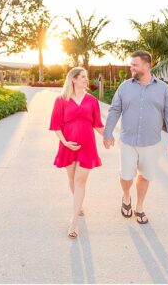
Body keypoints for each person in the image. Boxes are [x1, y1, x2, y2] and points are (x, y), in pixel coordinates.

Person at [103, 50, 168, 225]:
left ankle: (139, 206)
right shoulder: (124, 86)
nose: (131, 68)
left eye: (135, 65)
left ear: (147, 66)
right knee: (126, 176)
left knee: (145, 176)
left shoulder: (163, 88)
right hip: (128, 141)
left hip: (151, 143)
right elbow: (115, 110)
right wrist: (108, 133)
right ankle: (126, 197)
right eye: (131, 65)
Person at [49, 67, 105, 239]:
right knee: (72, 179)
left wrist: (108, 137)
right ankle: (78, 204)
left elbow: (97, 124)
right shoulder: (61, 100)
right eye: (82, 77)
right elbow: (56, 125)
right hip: (68, 145)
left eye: (86, 77)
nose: (86, 80)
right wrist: (65, 142)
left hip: (87, 145)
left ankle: (74, 222)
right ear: (73, 79)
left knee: (81, 181)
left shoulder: (92, 101)